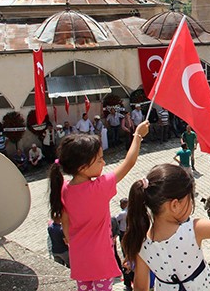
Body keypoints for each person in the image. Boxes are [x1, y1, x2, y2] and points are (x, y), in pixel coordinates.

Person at [48, 120, 149, 291]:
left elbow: (66, 224)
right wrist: (138, 135)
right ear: (82, 167)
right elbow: (129, 162)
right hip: (99, 259)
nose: (103, 164)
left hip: (79, 259)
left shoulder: (64, 188)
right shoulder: (99, 187)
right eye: (100, 160)